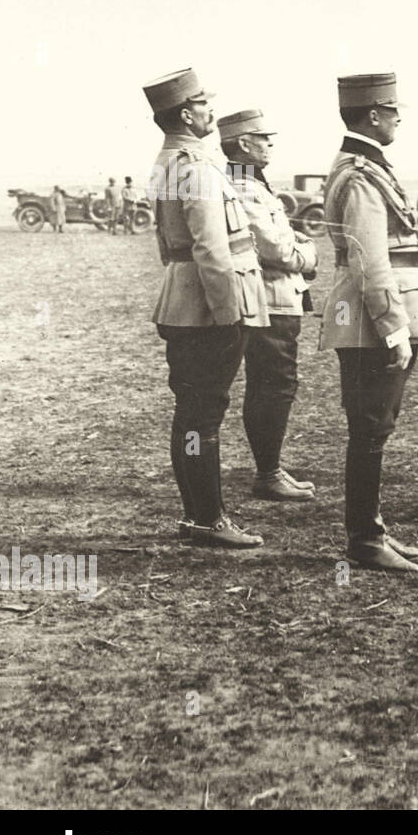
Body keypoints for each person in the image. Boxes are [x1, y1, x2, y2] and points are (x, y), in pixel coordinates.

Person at [319, 73, 418, 572]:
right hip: (372, 320)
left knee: (374, 426)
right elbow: (370, 262)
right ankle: (365, 541)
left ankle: (372, 531)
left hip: (373, 316)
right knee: (370, 427)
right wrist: (395, 328)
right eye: (393, 111)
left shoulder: (366, 168)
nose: (397, 120)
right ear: (373, 114)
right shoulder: (360, 176)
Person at [143, 67, 269, 548]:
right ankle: (208, 520)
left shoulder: (170, 161)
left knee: (192, 413)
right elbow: (211, 248)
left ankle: (198, 515)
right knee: (203, 415)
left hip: (185, 301)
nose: (209, 110)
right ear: (185, 114)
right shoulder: (194, 166)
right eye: (202, 103)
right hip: (208, 306)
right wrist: (227, 311)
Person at [219, 108, 319, 500]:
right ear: (245, 144)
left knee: (274, 383)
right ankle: (268, 474)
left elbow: (283, 236)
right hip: (270, 301)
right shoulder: (243, 187)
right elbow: (276, 247)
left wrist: (297, 245)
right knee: (273, 384)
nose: (270, 145)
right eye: (264, 138)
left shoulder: (252, 183)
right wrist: (309, 256)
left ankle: (271, 470)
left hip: (276, 298)